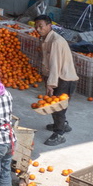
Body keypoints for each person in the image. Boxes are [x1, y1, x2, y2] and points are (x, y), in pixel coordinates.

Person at [34, 15, 78, 147]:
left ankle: (59, 134)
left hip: (64, 78)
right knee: (54, 104)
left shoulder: (56, 42)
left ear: (49, 26)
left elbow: (55, 64)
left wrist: (51, 84)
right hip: (56, 76)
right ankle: (62, 124)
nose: (38, 29)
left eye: (41, 26)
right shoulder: (46, 38)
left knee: (58, 107)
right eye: (36, 26)